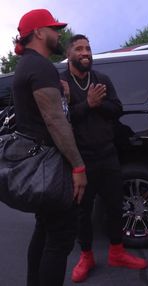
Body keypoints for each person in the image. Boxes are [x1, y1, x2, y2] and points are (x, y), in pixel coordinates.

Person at [60, 34, 148, 283]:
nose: (85, 52)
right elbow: (61, 121)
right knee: (82, 212)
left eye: (88, 48)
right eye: (79, 48)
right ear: (69, 54)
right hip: (80, 159)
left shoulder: (101, 79)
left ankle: (117, 252)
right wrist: (87, 103)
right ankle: (86, 256)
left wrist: (97, 104)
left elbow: (117, 109)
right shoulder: (62, 83)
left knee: (115, 206)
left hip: (107, 153)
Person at [13, 9, 87, 286]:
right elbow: (55, 122)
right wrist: (78, 166)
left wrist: (63, 95)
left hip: (40, 166)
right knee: (59, 239)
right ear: (40, 33)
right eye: (54, 29)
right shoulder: (40, 67)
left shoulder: (27, 65)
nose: (59, 34)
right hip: (51, 167)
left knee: (44, 231)